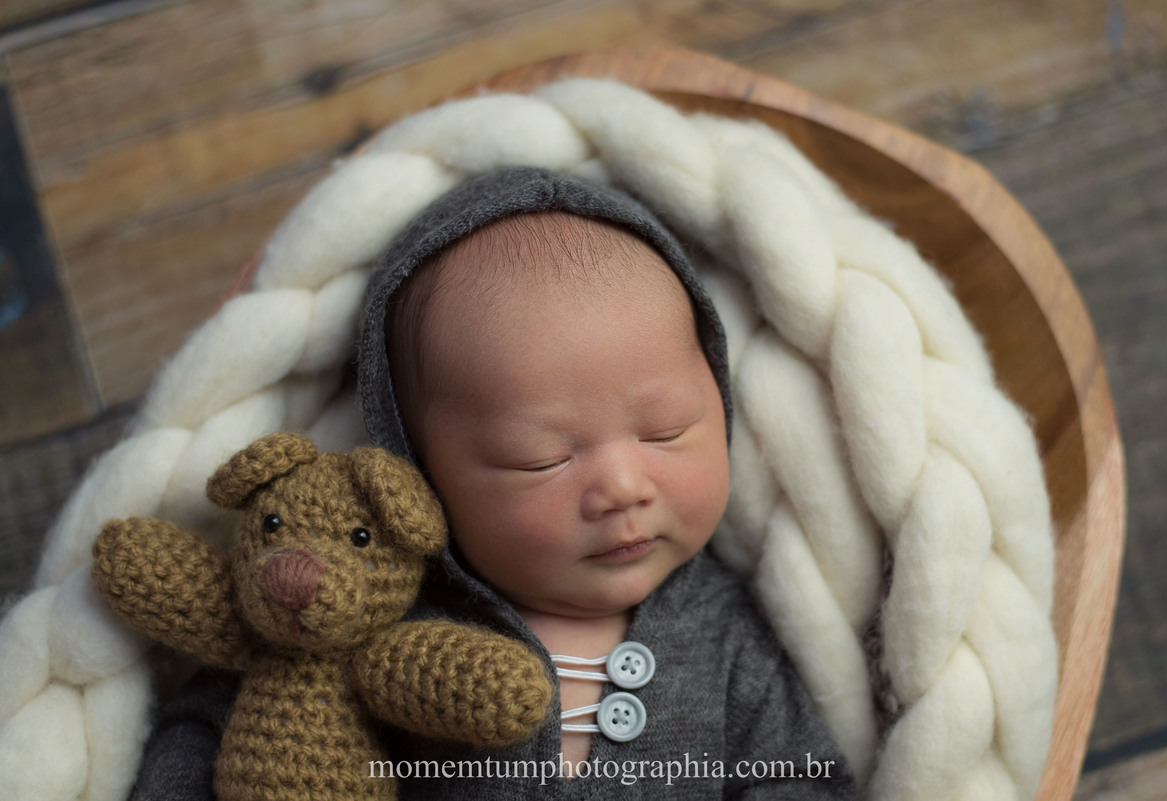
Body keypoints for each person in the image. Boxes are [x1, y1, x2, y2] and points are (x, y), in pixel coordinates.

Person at [129, 167, 856, 800]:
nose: (623, 487)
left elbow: (802, 775)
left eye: (666, 429)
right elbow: (221, 721)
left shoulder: (729, 636)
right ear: (418, 475)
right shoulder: (386, 620)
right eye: (540, 459)